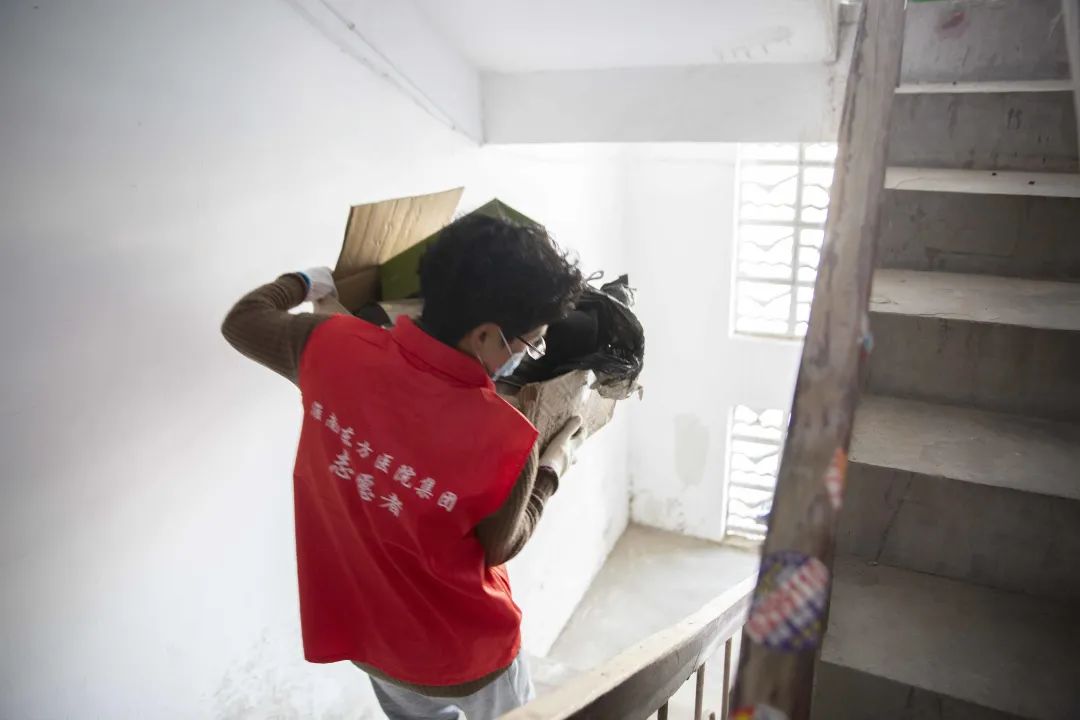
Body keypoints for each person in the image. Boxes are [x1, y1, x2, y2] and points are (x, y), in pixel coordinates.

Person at [221, 214, 586, 720]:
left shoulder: (328, 345)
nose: (528, 355)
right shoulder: (507, 439)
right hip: (470, 654)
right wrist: (552, 468)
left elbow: (242, 320)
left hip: (372, 637)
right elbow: (502, 545)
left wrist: (307, 281)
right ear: (485, 335)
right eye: (529, 343)